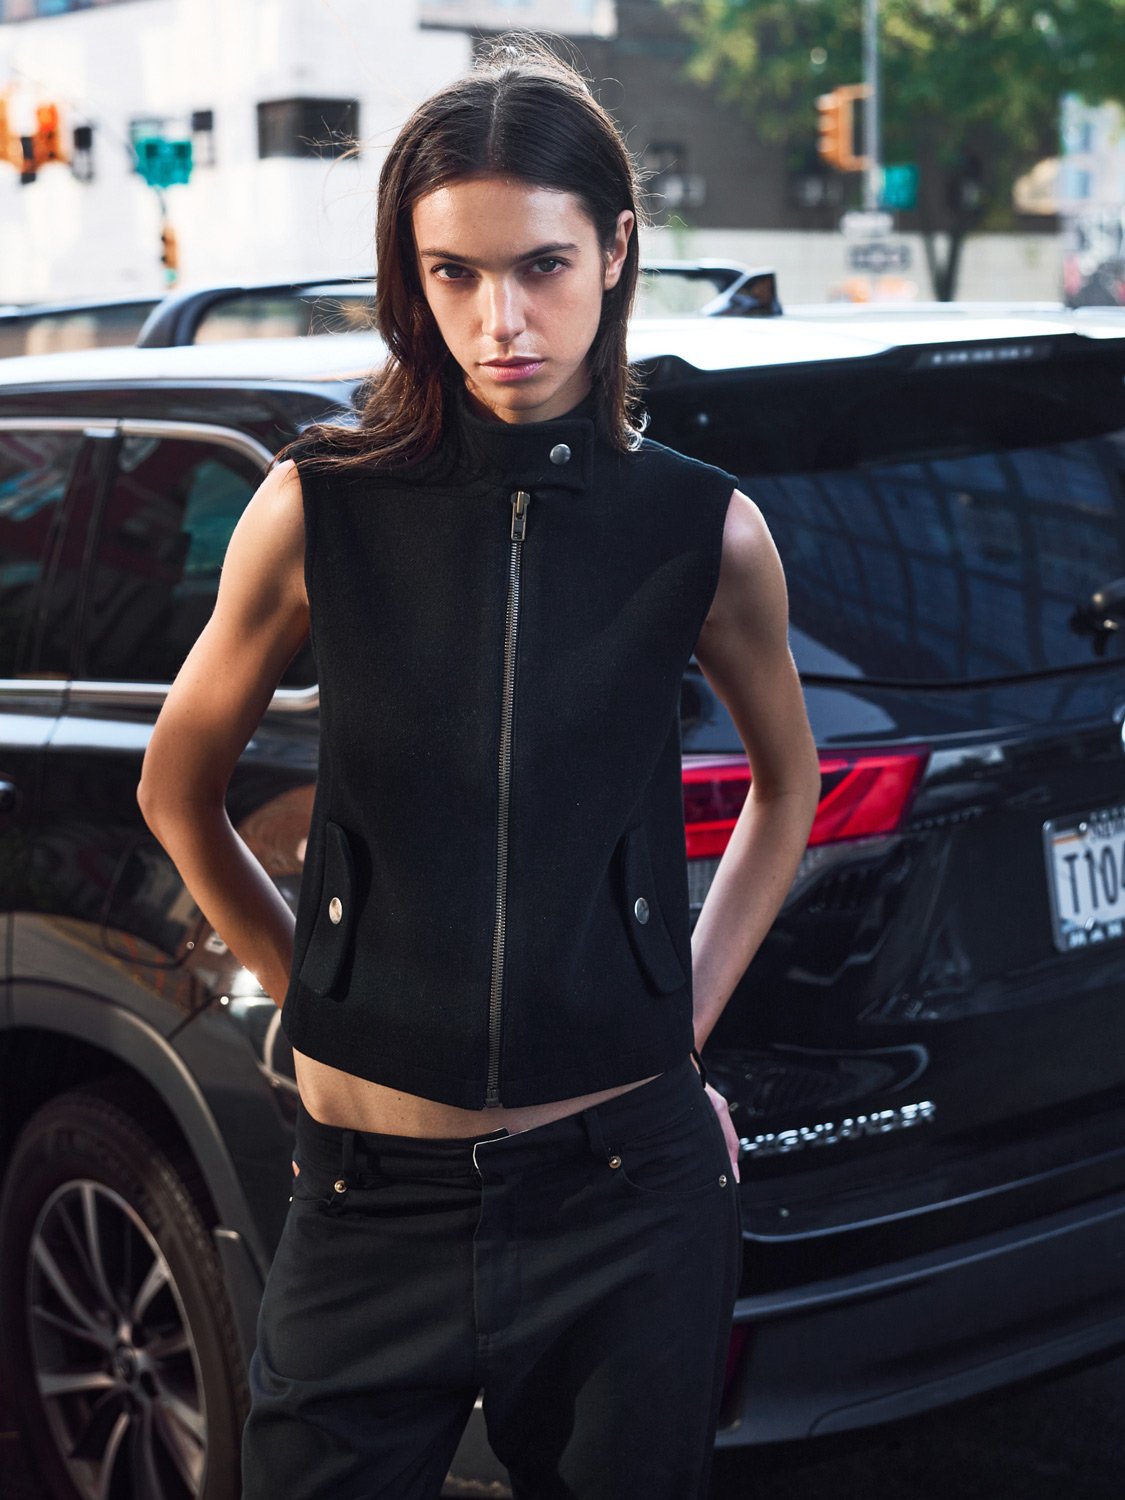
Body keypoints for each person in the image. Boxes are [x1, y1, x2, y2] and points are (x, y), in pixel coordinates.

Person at [137, 33, 820, 1500]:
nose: (500, 319)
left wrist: (679, 1035)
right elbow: (174, 790)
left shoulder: (703, 529)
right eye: (452, 273)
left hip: (624, 1195)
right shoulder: (317, 504)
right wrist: (311, 995)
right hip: (367, 1194)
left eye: (542, 266)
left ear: (615, 251)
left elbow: (788, 789)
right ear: (412, 272)